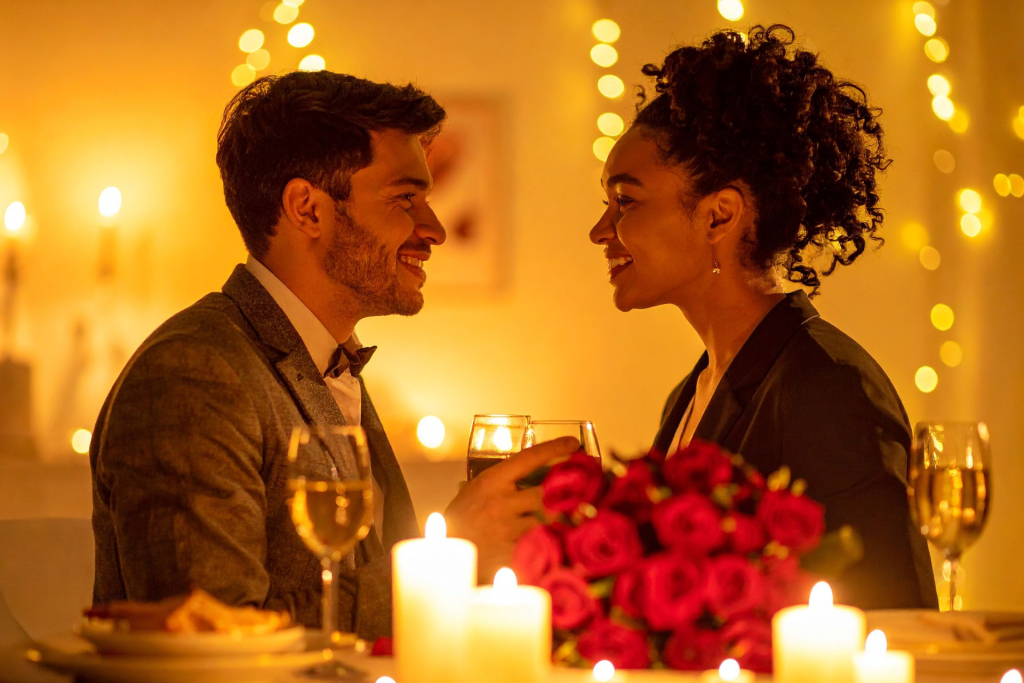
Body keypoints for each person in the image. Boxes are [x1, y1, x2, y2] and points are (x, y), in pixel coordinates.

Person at [90, 71, 576, 639]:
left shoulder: (325, 358)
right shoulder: (193, 375)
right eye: (405, 199)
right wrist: (451, 558)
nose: (434, 229)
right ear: (308, 209)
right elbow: (209, 647)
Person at [589, 25, 937, 609]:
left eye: (626, 201)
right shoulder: (690, 392)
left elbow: (894, 615)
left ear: (719, 217)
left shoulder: (828, 387)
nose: (601, 230)